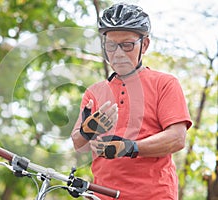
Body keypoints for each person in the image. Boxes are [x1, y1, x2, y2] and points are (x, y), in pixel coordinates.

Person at [71, 2, 192, 200]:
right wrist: (86, 131)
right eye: (110, 46)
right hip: (103, 195)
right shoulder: (94, 92)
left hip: (154, 195)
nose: (118, 53)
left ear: (144, 45)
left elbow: (177, 138)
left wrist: (130, 147)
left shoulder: (165, 83)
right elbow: (78, 143)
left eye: (127, 45)